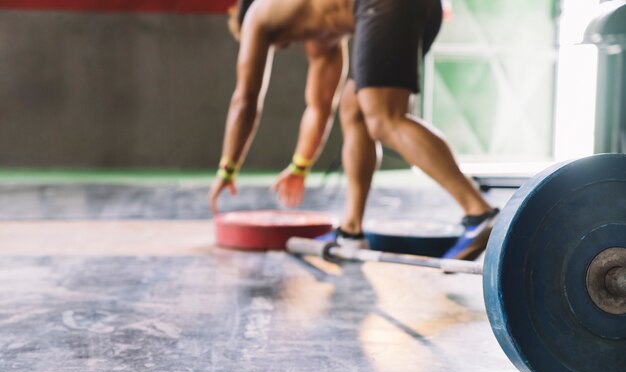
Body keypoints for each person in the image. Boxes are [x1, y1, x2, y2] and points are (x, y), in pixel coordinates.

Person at [210, 0, 498, 260]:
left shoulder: (256, 15)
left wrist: (227, 168)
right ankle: (351, 230)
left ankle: (479, 212)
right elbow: (320, 108)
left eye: (277, 45)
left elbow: (245, 100)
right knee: (354, 108)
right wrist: (300, 167)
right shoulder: (323, 35)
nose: (283, 47)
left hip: (384, 6)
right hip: (418, 9)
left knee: (385, 118)